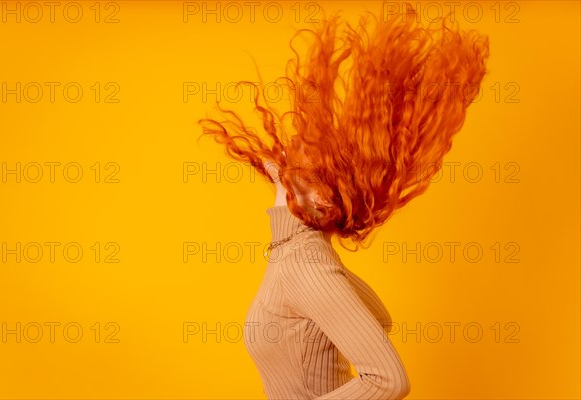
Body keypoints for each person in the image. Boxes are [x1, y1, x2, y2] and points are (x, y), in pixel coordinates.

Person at [198, 3, 490, 398]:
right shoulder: (299, 255)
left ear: (320, 198)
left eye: (307, 158)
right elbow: (380, 318)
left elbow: (388, 381)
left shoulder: (303, 262)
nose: (295, 145)